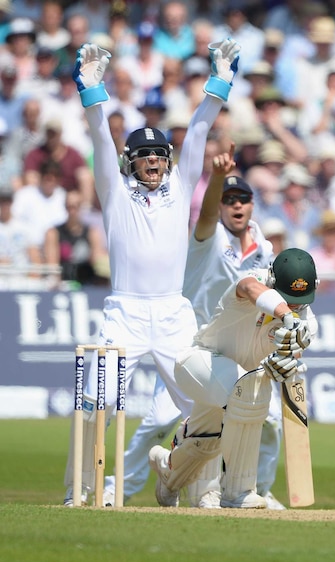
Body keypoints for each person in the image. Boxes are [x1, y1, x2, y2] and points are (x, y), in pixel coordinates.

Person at [62, 38, 241, 506]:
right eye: (146, 157)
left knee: (205, 404)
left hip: (173, 312)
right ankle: (86, 490)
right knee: (95, 403)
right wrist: (92, 87)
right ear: (131, 163)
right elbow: (101, 138)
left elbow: (200, 130)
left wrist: (220, 78)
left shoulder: (181, 186)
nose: (156, 162)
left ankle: (200, 487)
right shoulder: (115, 192)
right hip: (124, 311)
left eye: (161, 155)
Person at [148, 248, 318, 509]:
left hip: (232, 385)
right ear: (273, 280)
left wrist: (283, 363)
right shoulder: (255, 281)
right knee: (250, 390)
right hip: (200, 362)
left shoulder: (307, 323)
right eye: (289, 298)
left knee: (206, 442)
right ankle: (237, 492)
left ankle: (168, 470)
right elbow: (249, 288)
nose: (295, 306)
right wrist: (286, 315)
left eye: (300, 300)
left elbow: (285, 359)